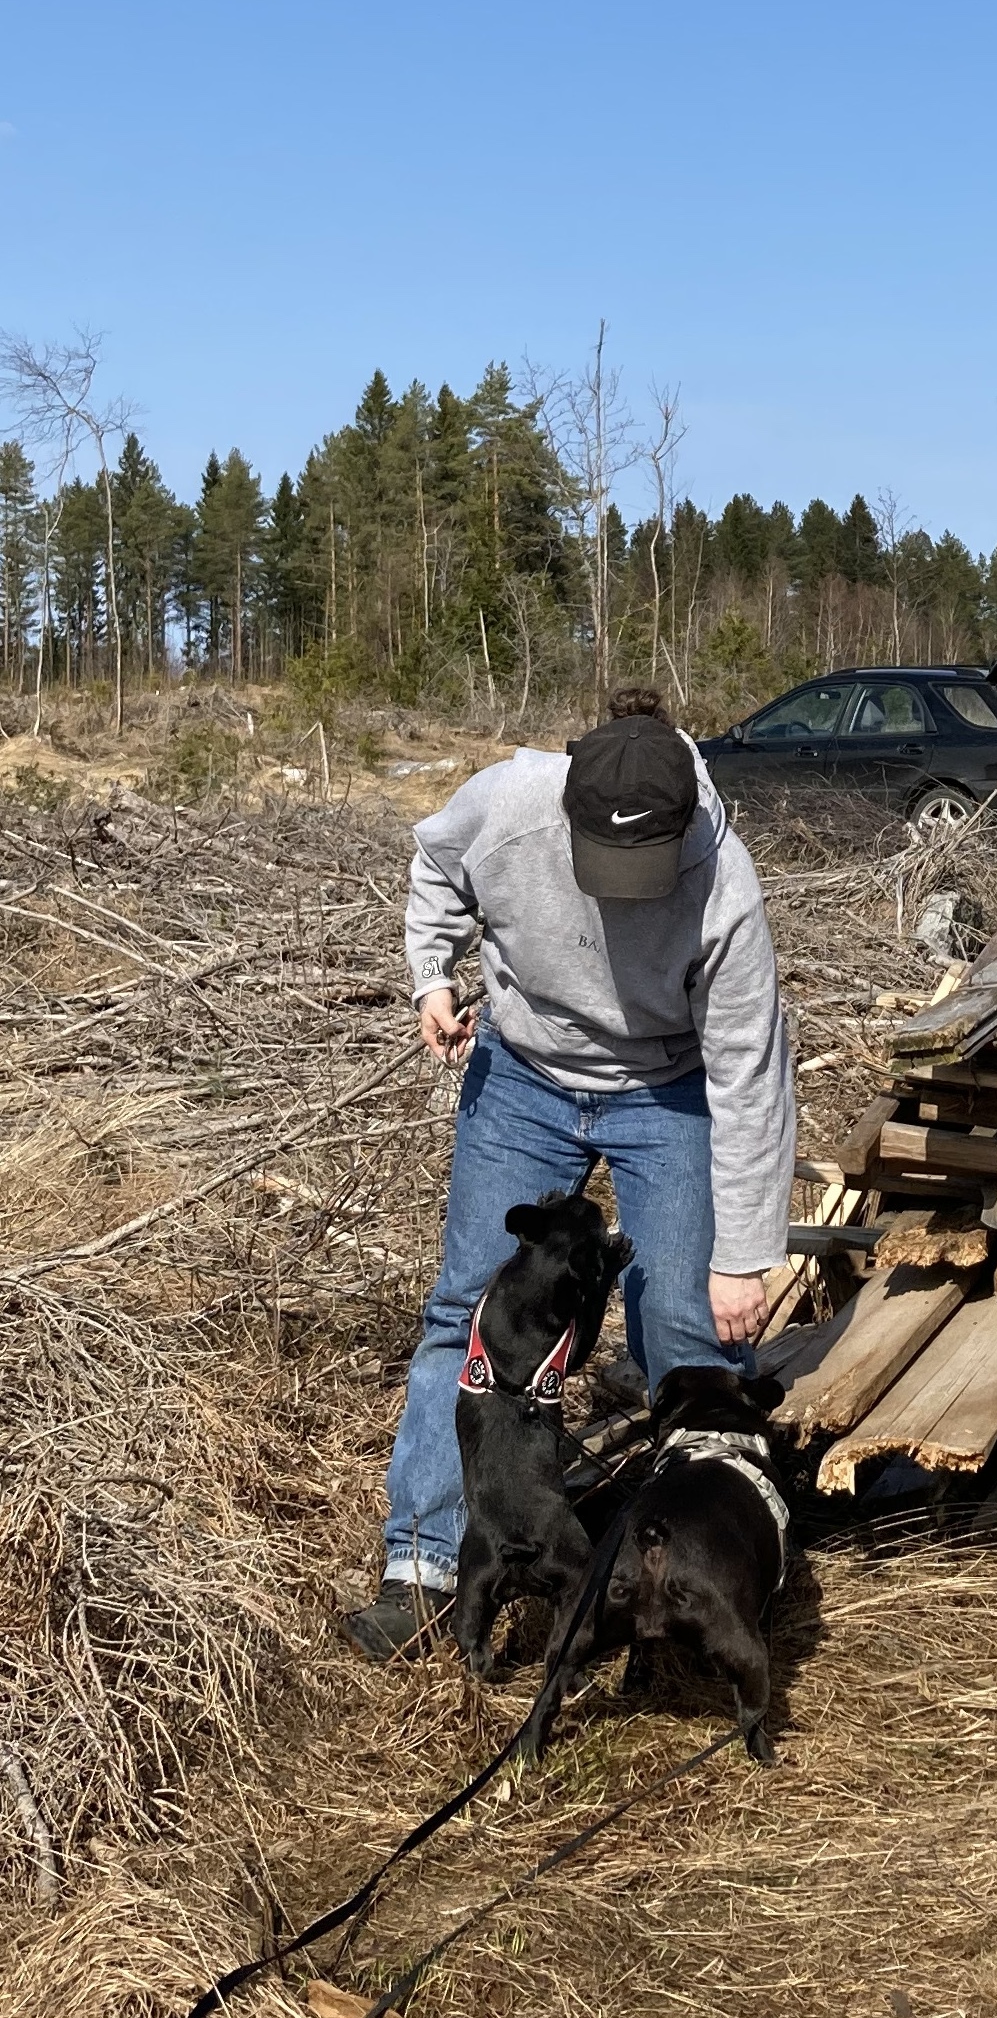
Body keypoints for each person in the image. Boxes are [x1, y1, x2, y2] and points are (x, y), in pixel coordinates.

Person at [341, 688, 794, 1662]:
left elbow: (751, 1066)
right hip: (524, 1075)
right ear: (571, 813)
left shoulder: (722, 881)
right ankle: (421, 1568)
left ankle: (700, 1568)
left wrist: (744, 1253)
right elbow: (434, 867)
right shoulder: (510, 803)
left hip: (665, 1086)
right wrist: (431, 973)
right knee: (467, 1309)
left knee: (685, 1316)